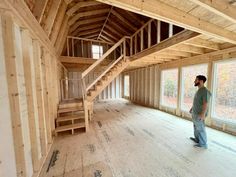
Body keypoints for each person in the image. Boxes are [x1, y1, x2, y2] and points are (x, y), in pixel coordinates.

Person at [189, 75, 211, 148]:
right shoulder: (199, 90)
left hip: (200, 114)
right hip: (195, 113)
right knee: (196, 127)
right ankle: (197, 139)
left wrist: (203, 114)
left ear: (201, 81)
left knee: (201, 128)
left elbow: (205, 103)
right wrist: (192, 108)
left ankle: (203, 144)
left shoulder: (205, 91)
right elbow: (197, 101)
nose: (194, 81)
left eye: (196, 80)